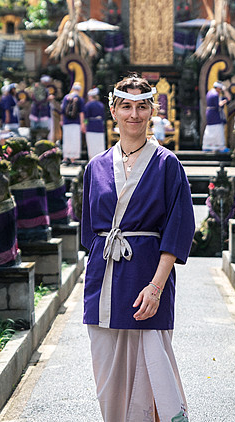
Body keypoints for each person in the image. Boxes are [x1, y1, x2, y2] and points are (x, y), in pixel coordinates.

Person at [82, 75, 194, 422]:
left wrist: (156, 287)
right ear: (113, 111)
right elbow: (90, 236)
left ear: (151, 111)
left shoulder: (167, 164)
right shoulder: (95, 167)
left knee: (154, 376)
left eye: (142, 106)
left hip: (147, 282)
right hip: (103, 285)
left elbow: (178, 230)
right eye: (126, 106)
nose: (134, 114)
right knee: (108, 381)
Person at [61, 82, 85, 164]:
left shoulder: (66, 98)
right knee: (75, 139)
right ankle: (73, 158)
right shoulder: (80, 99)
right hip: (76, 122)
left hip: (66, 122)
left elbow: (62, 111)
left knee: (66, 139)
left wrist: (62, 121)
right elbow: (81, 112)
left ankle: (65, 157)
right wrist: (82, 123)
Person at [202, 80, 228, 152]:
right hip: (215, 114)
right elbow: (217, 106)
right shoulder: (215, 94)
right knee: (218, 129)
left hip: (210, 113)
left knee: (210, 129)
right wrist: (223, 102)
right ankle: (220, 147)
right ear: (218, 88)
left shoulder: (209, 92)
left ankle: (207, 145)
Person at [84, 87, 107, 160]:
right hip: (100, 126)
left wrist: (84, 125)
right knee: (99, 144)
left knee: (91, 144)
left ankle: (92, 159)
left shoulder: (88, 105)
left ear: (90, 96)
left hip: (91, 126)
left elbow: (86, 118)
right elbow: (103, 117)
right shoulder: (101, 105)